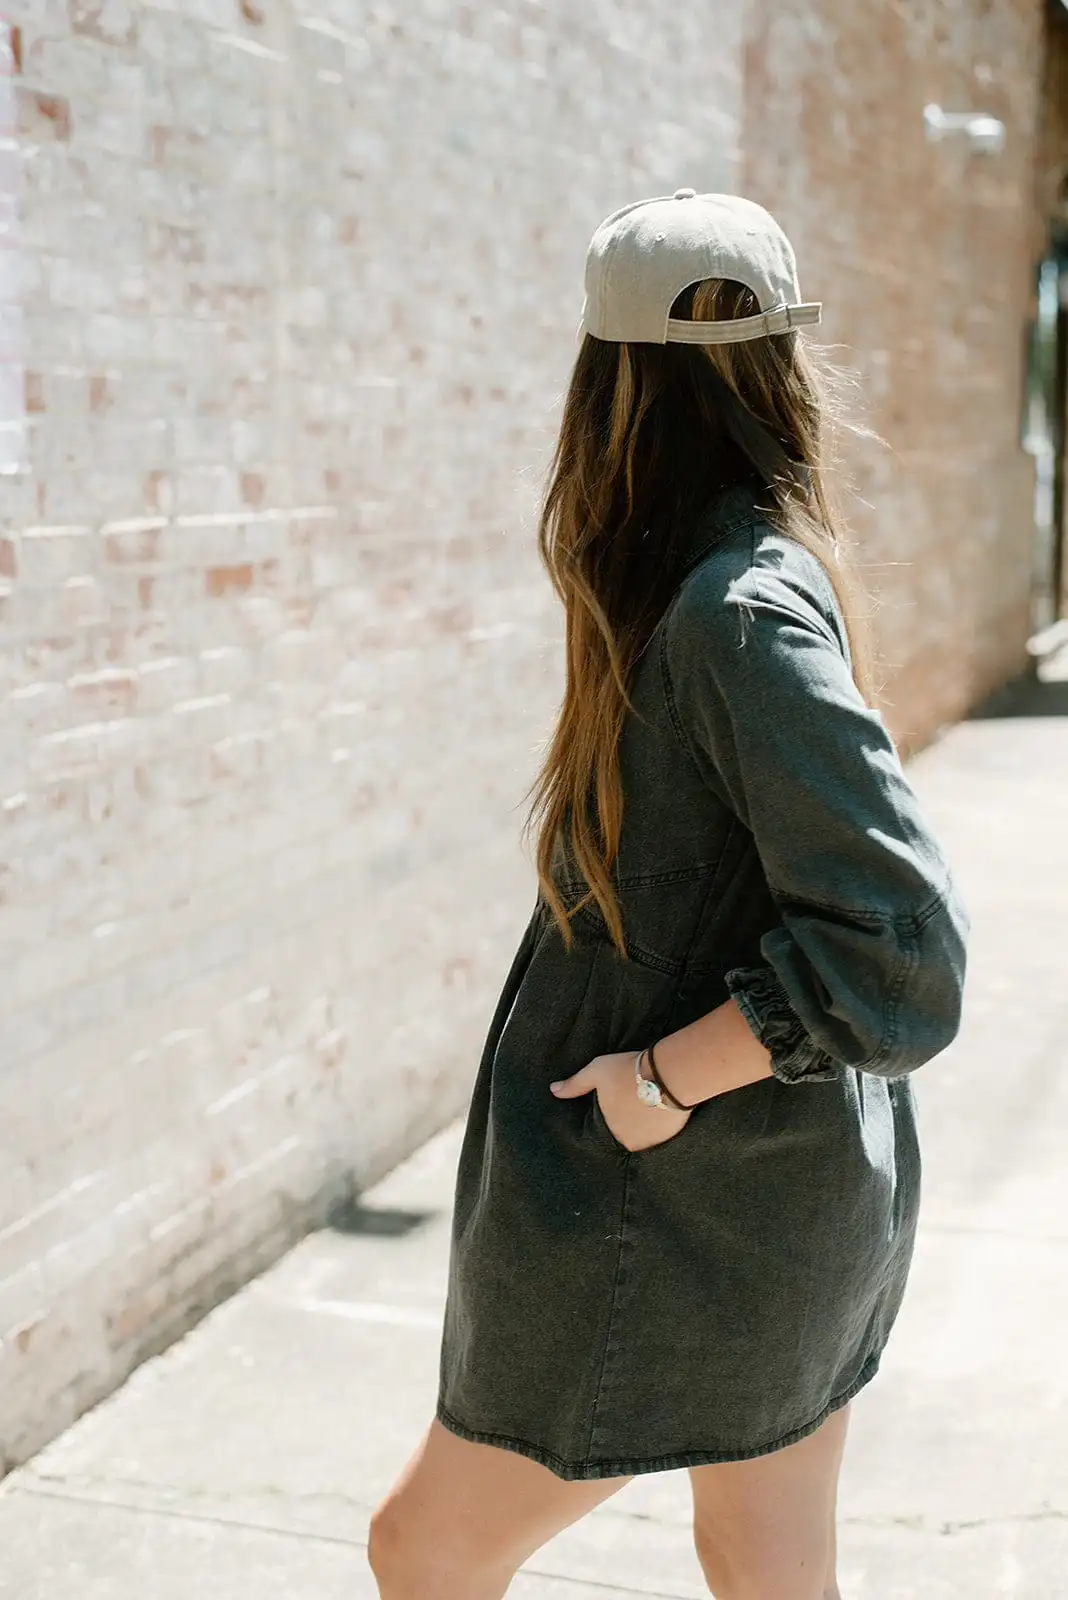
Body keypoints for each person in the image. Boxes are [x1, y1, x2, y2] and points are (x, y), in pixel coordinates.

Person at [368, 191, 970, 1600]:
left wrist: (664, 1076)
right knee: (767, 1565)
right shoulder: (728, 586)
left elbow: (904, 948)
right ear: (782, 373)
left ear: (609, 388)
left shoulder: (731, 613)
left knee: (425, 1549)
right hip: (773, 1192)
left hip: (683, 1198)